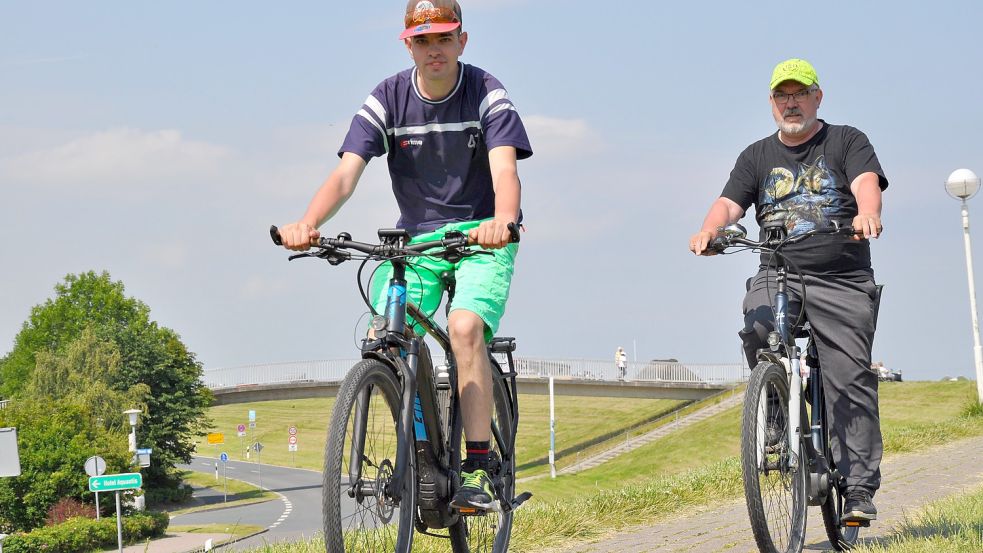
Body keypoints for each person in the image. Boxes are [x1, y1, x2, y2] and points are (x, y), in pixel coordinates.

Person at [277, 0, 532, 510]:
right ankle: (421, 453)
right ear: (408, 45)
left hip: (481, 233)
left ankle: (478, 466)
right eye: (422, 40)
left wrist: (502, 220)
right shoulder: (388, 98)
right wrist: (308, 224)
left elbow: (505, 170)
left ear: (462, 41)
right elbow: (347, 174)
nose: (433, 50)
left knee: (463, 329)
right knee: (387, 332)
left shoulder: (486, 92)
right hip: (417, 239)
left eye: (443, 38)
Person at [688, 58, 887, 523]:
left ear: (818, 97)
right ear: (772, 103)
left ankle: (858, 488)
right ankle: (775, 405)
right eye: (782, 95)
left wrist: (867, 212)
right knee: (758, 327)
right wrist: (708, 231)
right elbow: (728, 204)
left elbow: (866, 182)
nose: (791, 103)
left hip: (841, 275)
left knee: (849, 376)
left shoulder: (846, 140)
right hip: (779, 272)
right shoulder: (756, 156)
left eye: (800, 94)